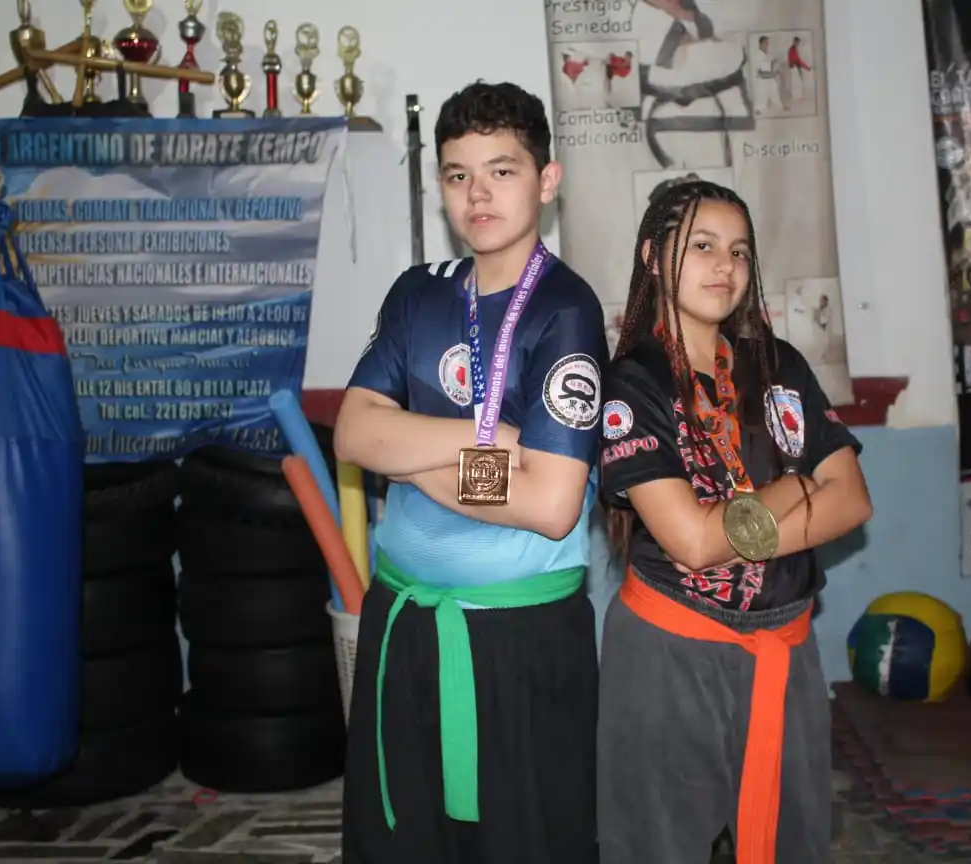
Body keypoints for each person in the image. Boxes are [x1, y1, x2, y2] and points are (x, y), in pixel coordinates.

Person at [335, 81, 607, 864]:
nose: (477, 193)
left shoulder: (565, 310)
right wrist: (485, 446)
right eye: (457, 174)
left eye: (502, 170)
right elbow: (354, 434)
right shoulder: (417, 295)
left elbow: (553, 505)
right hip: (402, 624)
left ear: (546, 180)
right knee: (405, 843)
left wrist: (410, 454)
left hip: (514, 642)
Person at [596, 179, 872, 863]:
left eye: (740, 252)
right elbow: (688, 542)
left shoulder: (779, 368)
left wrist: (728, 526)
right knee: (658, 847)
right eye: (703, 246)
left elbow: (854, 501)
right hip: (669, 652)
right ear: (653, 257)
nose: (726, 267)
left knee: (793, 843)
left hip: (785, 649)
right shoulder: (633, 384)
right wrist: (797, 485)